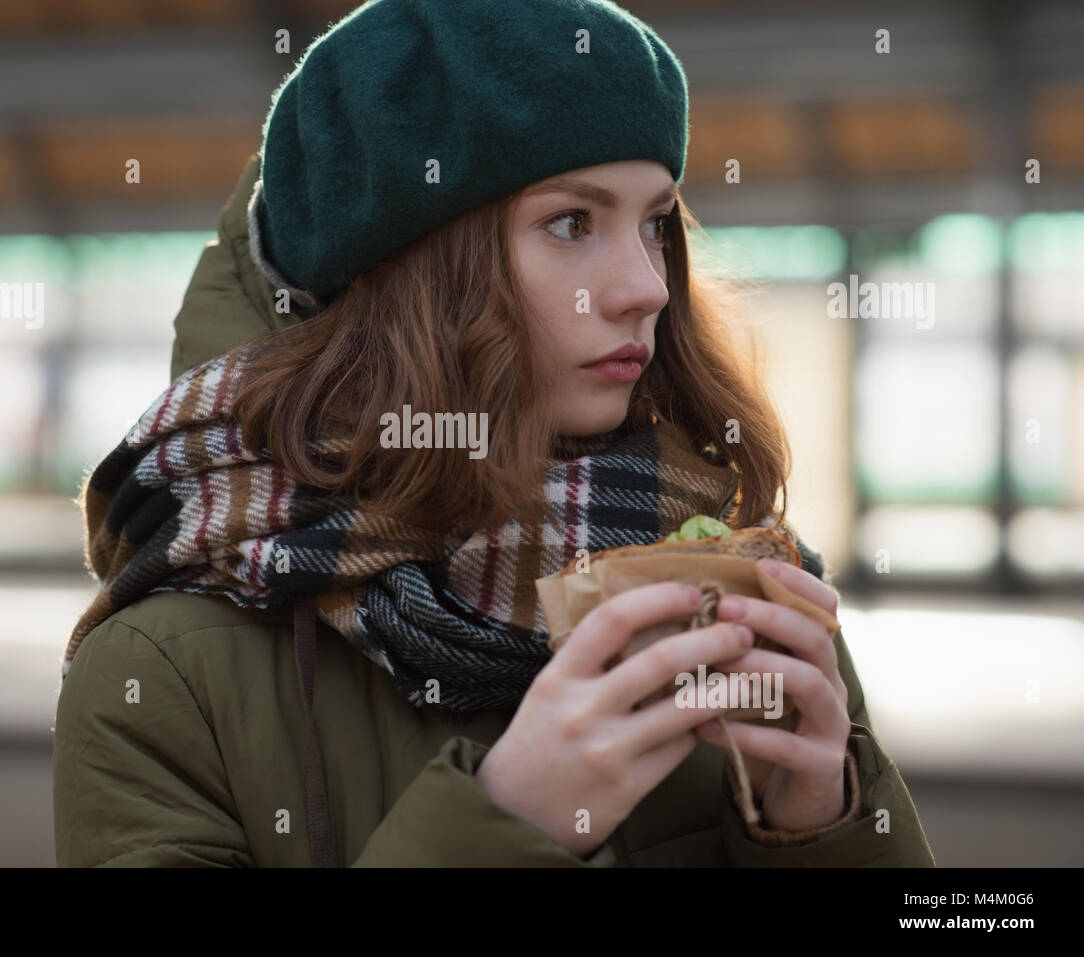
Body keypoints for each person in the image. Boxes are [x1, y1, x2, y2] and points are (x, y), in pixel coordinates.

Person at [52, 0, 936, 867]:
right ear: (407, 275)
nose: (648, 286)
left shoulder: (736, 595)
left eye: (656, 223)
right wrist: (506, 823)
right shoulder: (156, 672)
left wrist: (816, 823)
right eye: (570, 222)